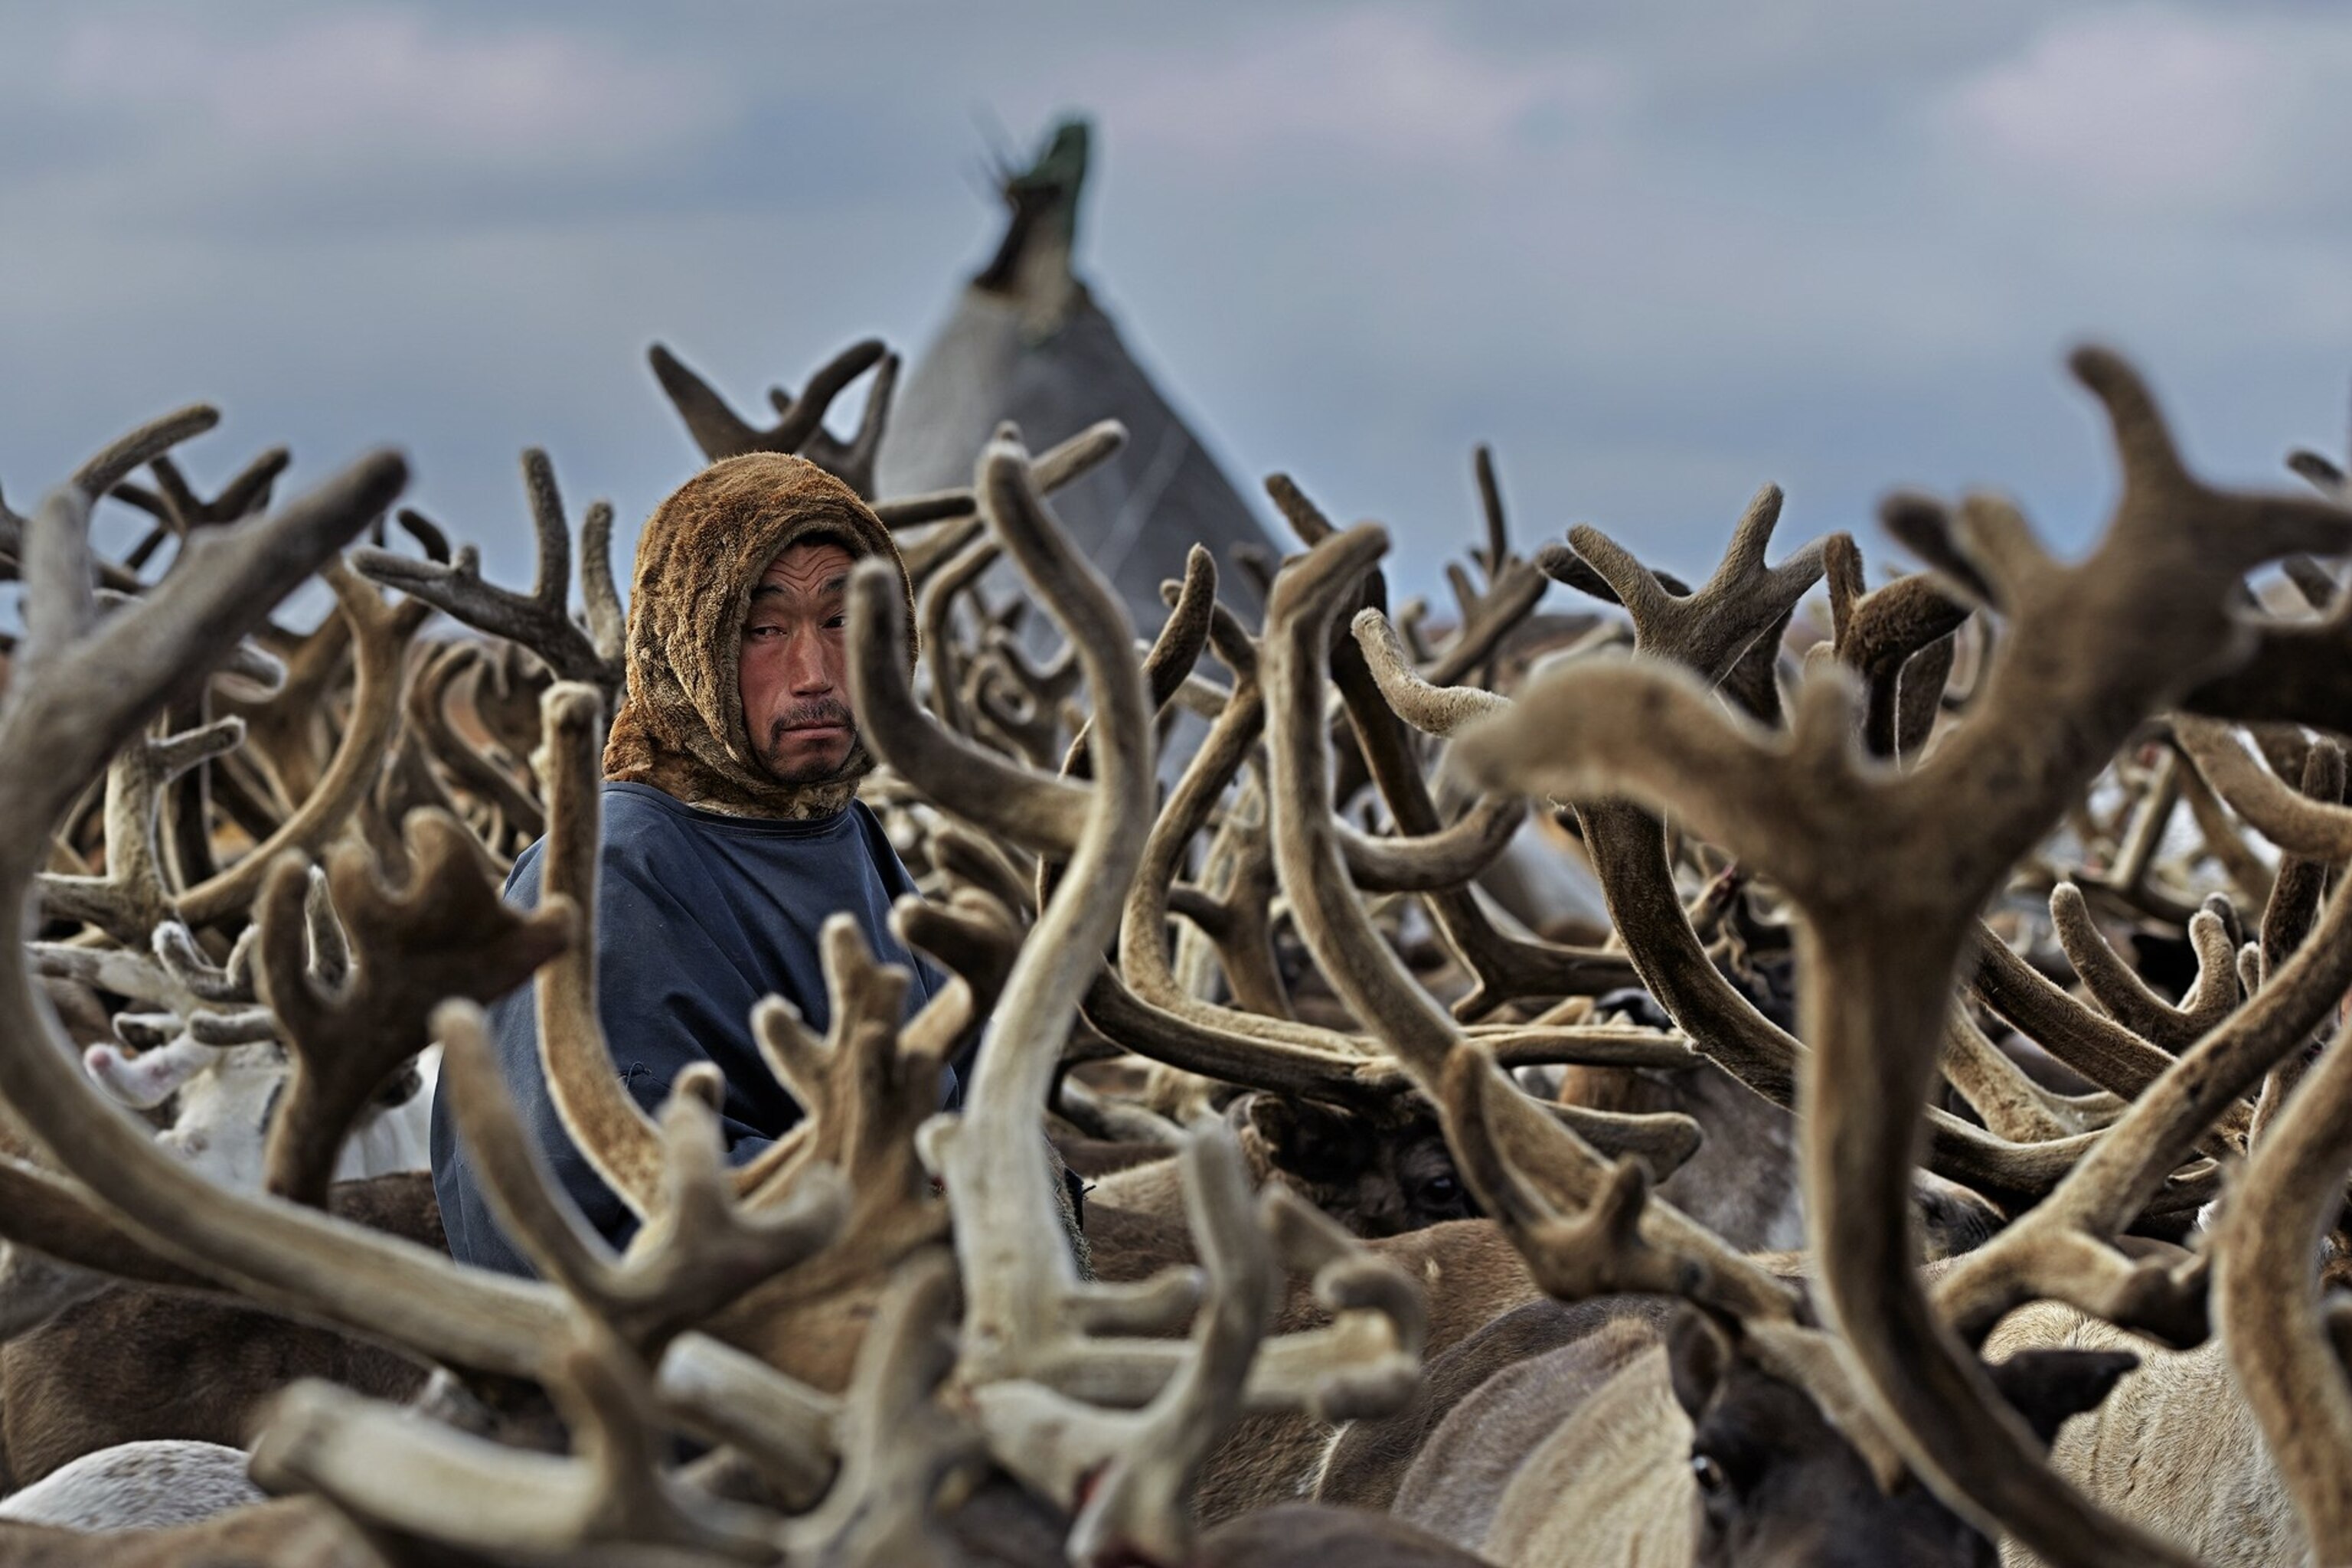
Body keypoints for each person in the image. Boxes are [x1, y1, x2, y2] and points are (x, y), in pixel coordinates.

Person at [430, 452, 942, 1275]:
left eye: (843, 622)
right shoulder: (609, 870)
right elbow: (591, 1194)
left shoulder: (852, 837)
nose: (813, 674)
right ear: (686, 642)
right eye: (763, 630)